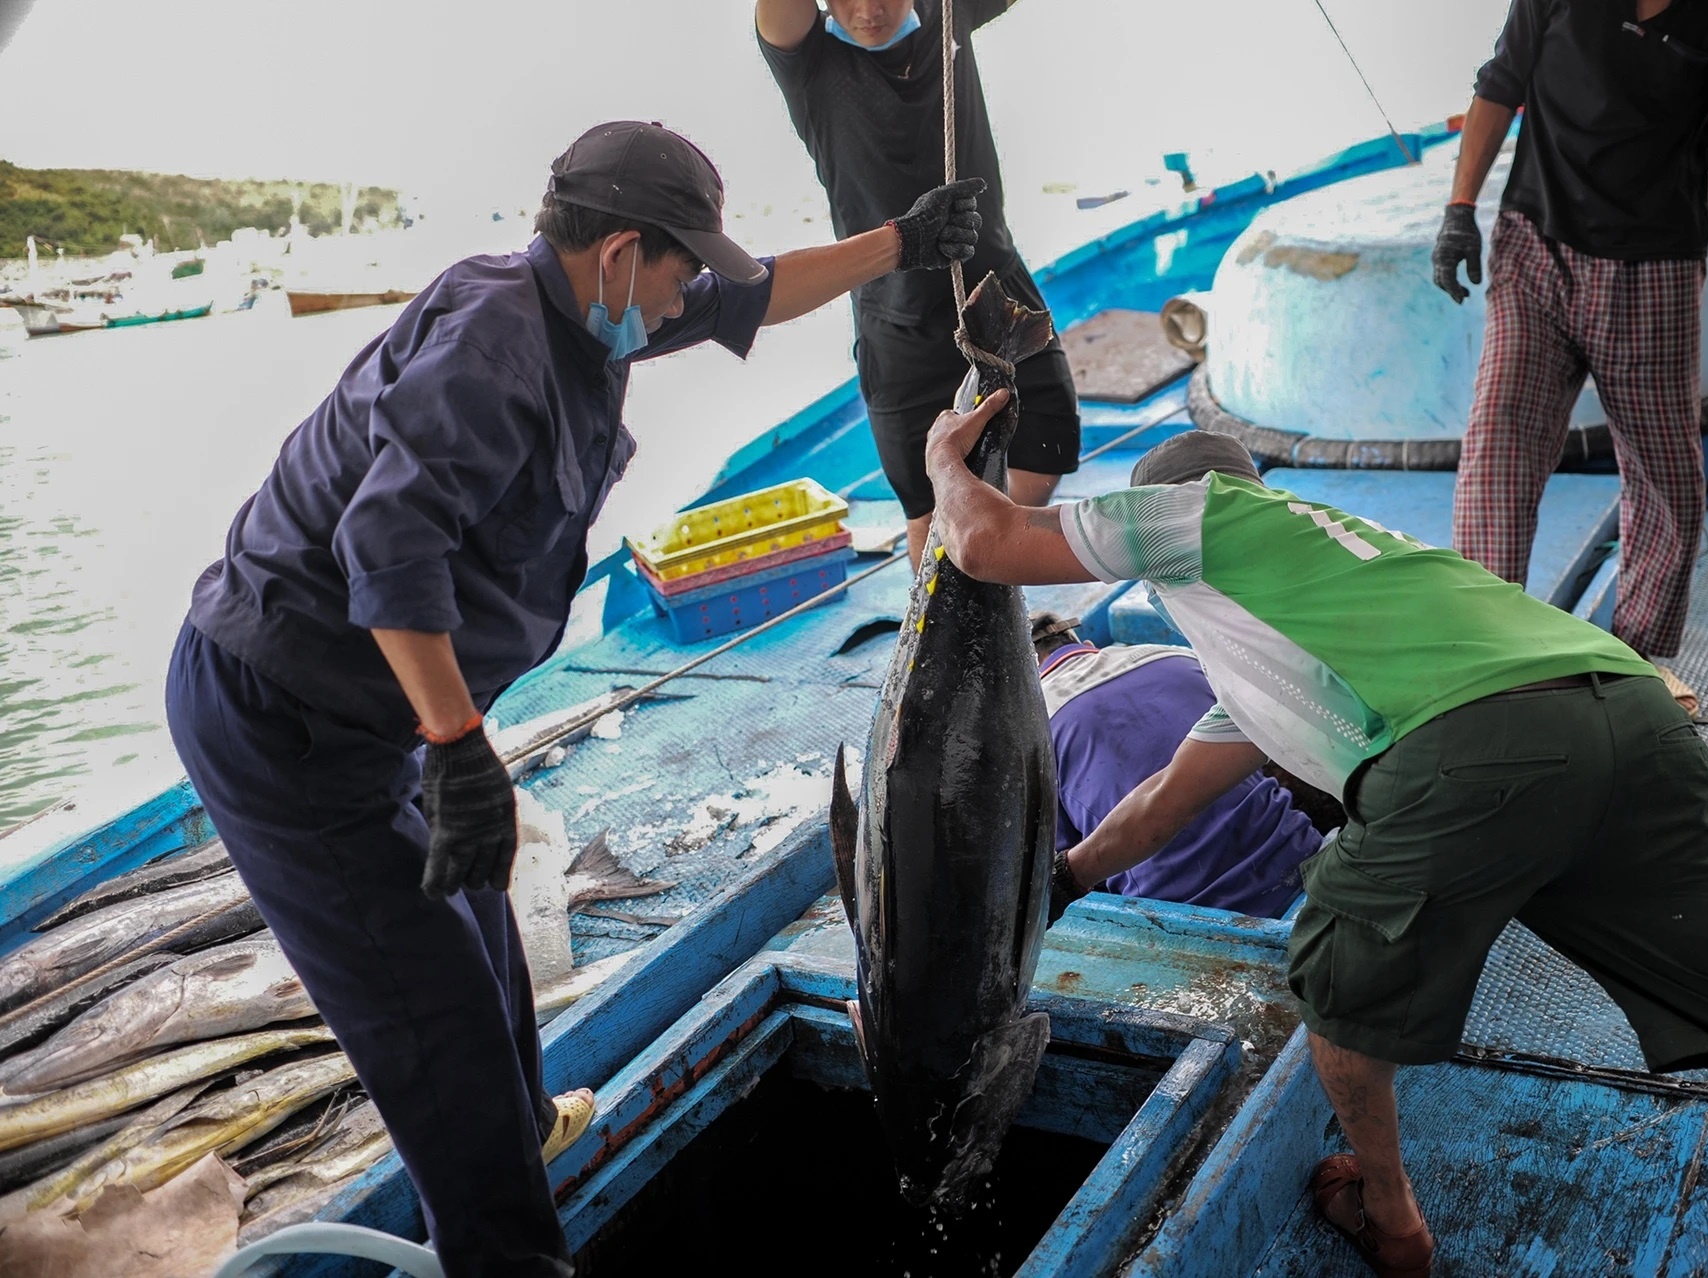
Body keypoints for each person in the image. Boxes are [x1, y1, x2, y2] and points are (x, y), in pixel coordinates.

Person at [164, 121, 986, 1278]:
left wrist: (905, 240)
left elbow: (761, 297)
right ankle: (504, 1249)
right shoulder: (496, 346)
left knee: (487, 934)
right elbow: (385, 551)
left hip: (368, 712)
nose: (685, 297)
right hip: (279, 716)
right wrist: (457, 749)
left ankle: (520, 1125)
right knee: (429, 1012)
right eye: (675, 271)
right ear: (615, 251)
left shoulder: (587, 304)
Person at [926, 414, 1708, 1276]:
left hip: (1474, 746)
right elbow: (1159, 804)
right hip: (1634, 719)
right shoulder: (1308, 627)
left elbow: (985, 542)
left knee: (1336, 998)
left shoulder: (1206, 517)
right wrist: (1062, 881)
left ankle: (1393, 1219)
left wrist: (940, 460)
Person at [1434, 0, 1708, 713]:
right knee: (1500, 442)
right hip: (1537, 245)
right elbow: (1501, 82)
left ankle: (1633, 659)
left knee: (1667, 479)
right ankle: (1484, 653)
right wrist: (1459, 210)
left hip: (1653, 267)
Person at [757, 0, 1081, 568]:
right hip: (895, 318)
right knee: (928, 509)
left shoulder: (948, 11)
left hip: (993, 286)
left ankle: (992, 585)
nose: (868, 9)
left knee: (1050, 442)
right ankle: (942, 633)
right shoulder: (810, 62)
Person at [1029, 611, 1330, 921]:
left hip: (1190, 913)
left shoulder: (1031, 731)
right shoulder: (1176, 656)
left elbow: (1050, 865)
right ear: (1086, 644)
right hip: (1303, 859)